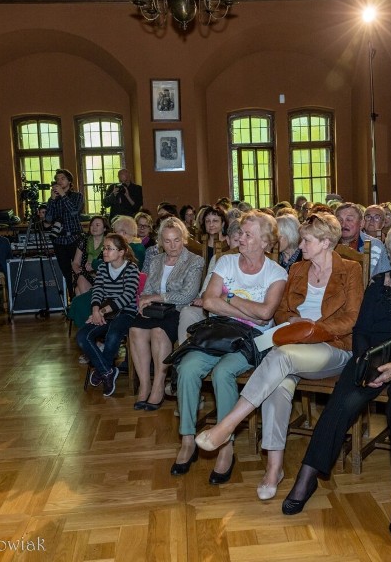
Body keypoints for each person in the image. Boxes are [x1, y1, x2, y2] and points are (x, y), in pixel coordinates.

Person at [282, 220, 391, 543]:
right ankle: (308, 475)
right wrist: (365, 359)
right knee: (343, 400)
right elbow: (361, 328)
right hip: (375, 355)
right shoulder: (378, 283)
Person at [196, 212, 363, 500]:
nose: (300, 246)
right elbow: (281, 312)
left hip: (333, 348)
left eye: (307, 240)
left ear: (325, 242)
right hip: (293, 345)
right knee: (278, 384)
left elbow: (351, 319)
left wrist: (313, 330)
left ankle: (228, 424)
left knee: (281, 358)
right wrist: (295, 327)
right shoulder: (297, 270)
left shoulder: (350, 270)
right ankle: (274, 469)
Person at [170, 211, 287, 484]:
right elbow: (209, 301)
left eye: (248, 235)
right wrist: (246, 309)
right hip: (218, 331)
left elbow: (267, 313)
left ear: (265, 242)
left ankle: (225, 444)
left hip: (253, 339)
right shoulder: (226, 261)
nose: (240, 239)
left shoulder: (276, 272)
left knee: (224, 373)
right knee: (186, 367)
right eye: (241, 233)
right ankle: (187, 438)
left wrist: (229, 296)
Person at [129, 217, 204, 409]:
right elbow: (146, 289)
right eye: (168, 241)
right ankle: (144, 384)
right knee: (135, 330)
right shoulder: (155, 260)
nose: (173, 245)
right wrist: (144, 301)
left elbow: (187, 295)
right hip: (154, 309)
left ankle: (159, 384)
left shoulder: (195, 261)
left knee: (158, 332)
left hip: (176, 310)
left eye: (177, 240)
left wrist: (155, 297)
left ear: (184, 239)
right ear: (161, 241)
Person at [78, 233, 141, 397]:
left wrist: (101, 311)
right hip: (105, 312)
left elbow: (127, 296)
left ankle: (101, 371)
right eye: (104, 248)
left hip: (126, 312)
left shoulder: (131, 268)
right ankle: (107, 371)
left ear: (121, 252)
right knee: (82, 336)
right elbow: (97, 290)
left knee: (113, 335)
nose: (104, 252)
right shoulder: (103, 268)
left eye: (109, 249)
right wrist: (95, 311)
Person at [45, 168, 84, 296]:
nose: (59, 181)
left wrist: (63, 195)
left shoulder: (77, 196)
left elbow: (74, 212)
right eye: (57, 179)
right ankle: (72, 299)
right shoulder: (54, 199)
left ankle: (82, 296)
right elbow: (48, 219)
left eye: (62, 178)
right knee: (66, 272)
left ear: (69, 181)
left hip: (74, 239)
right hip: (59, 241)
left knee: (78, 269)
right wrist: (51, 200)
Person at [335, 202, 391, 277]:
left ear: (361, 223)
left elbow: (385, 276)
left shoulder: (375, 245)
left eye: (349, 219)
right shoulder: (327, 243)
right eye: (339, 220)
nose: (343, 224)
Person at [72, 216, 109, 295]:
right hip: (85, 273)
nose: (94, 227)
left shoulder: (109, 243)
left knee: (78, 291)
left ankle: (89, 304)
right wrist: (77, 271)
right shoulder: (84, 241)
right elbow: (75, 263)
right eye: (92, 225)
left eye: (97, 225)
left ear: (105, 228)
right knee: (81, 277)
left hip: (102, 275)